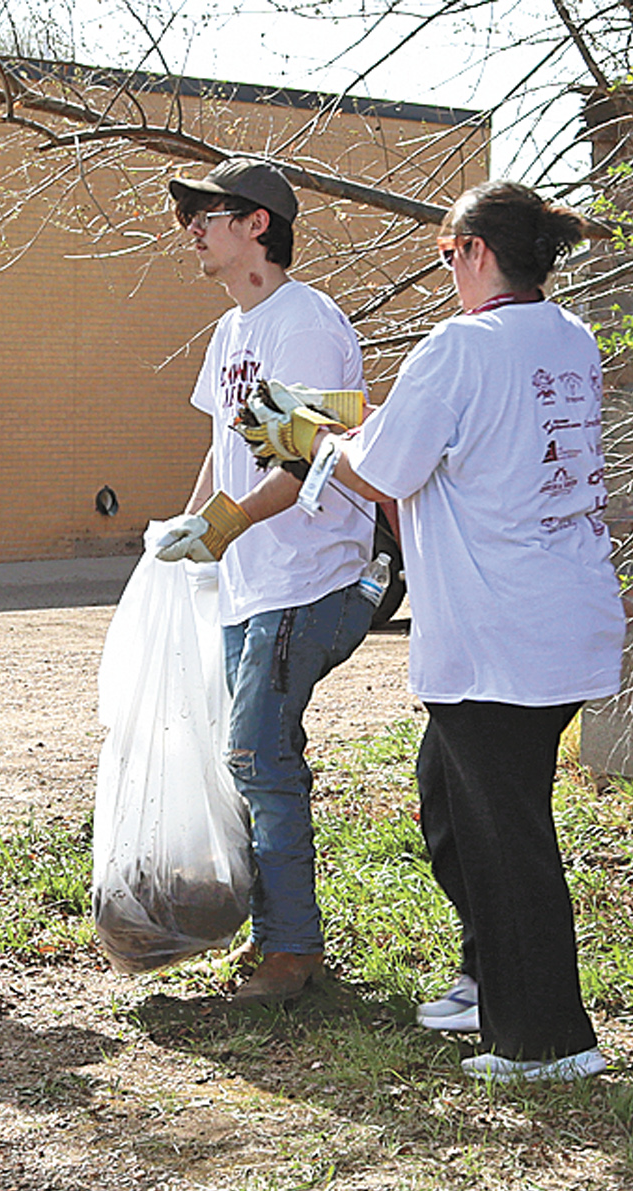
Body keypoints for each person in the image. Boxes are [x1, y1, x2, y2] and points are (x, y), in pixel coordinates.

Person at [188, 180, 619, 1081]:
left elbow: (382, 470)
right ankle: (489, 979)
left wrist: (308, 435)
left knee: (508, 831)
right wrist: (334, 433)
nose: (444, 273)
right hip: (563, 616)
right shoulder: (567, 337)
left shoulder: (461, 346)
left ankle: (545, 1039)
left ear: (471, 253)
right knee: (454, 803)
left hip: (496, 633)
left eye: (445, 256)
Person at [152, 158, 376, 1005]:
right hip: (252, 583)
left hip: (310, 575)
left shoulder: (305, 321)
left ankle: (292, 954)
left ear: (258, 226)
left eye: (208, 214)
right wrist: (185, 528)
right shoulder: (231, 333)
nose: (192, 230)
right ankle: (277, 935)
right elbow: (228, 452)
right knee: (254, 754)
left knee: (258, 751)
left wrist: (226, 523)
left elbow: (310, 457)